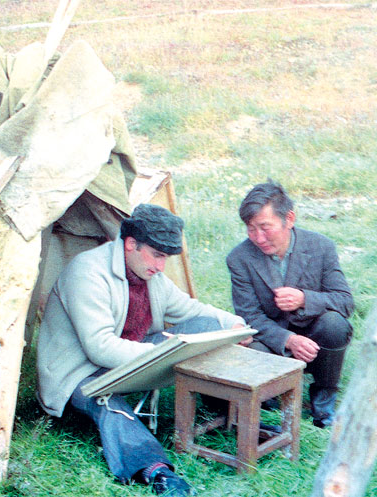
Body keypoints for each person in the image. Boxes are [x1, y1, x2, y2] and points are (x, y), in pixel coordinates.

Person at [37, 203, 247, 496]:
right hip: (79, 372)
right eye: (157, 255)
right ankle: (156, 471)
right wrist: (163, 354)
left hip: (133, 357)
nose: (161, 266)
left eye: (166, 258)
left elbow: (190, 309)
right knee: (107, 402)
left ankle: (229, 412)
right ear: (130, 244)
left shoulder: (150, 275)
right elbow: (100, 348)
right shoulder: (87, 272)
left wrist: (233, 324)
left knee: (208, 326)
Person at [226, 181, 354, 428]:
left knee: (335, 324)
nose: (258, 238)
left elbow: (345, 301)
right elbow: (249, 315)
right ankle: (271, 401)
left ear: (289, 219)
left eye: (265, 227)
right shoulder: (239, 258)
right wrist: (288, 340)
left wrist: (305, 298)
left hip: (316, 337)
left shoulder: (321, 247)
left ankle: (324, 401)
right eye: (251, 229)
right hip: (272, 339)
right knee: (251, 351)